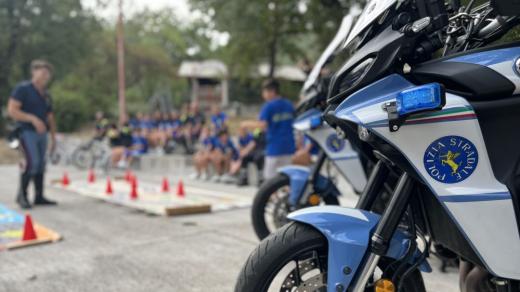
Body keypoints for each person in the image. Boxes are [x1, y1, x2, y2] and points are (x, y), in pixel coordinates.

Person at [7, 60, 58, 209]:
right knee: (31, 162)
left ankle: (39, 196)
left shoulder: (46, 94)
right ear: (33, 72)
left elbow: (50, 116)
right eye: (42, 72)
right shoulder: (23, 89)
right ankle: (22, 195)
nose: (45, 76)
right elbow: (12, 110)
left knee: (41, 164)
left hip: (42, 134)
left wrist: (53, 137)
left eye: (47, 73)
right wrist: (33, 119)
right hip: (27, 132)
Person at [241, 79, 296, 180]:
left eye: (264, 92)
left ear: (272, 91)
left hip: (274, 148)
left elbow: (262, 125)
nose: (263, 95)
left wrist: (245, 124)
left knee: (270, 180)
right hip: (289, 147)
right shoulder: (289, 104)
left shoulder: (269, 106)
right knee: (286, 178)